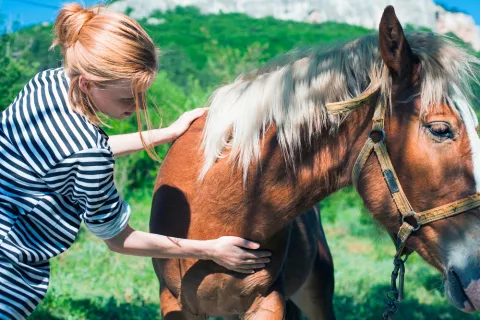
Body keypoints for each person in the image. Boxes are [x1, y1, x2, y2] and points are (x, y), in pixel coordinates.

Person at [0, 3, 271, 319]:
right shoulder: (88, 157)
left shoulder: (48, 84)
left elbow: (70, 154)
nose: (138, 107)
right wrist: (211, 249)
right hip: (10, 270)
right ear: (86, 83)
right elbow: (120, 239)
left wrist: (165, 133)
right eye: (128, 98)